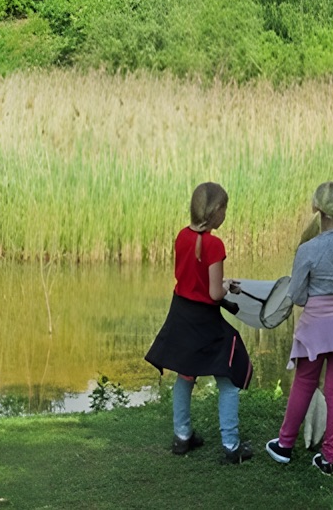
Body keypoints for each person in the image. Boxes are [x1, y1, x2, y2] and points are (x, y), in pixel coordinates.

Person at [265, 181, 333, 476]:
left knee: (304, 382)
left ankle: (285, 446)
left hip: (316, 329)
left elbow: (298, 296)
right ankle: (329, 459)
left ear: (317, 209)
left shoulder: (308, 249)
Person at [144, 182, 254, 464]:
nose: (226, 214)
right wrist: (227, 286)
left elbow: (189, 277)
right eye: (225, 209)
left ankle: (182, 437)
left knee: (185, 372)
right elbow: (215, 293)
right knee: (229, 378)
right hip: (205, 320)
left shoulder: (181, 236)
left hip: (181, 313)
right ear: (216, 212)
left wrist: (219, 284)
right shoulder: (214, 244)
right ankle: (231, 446)